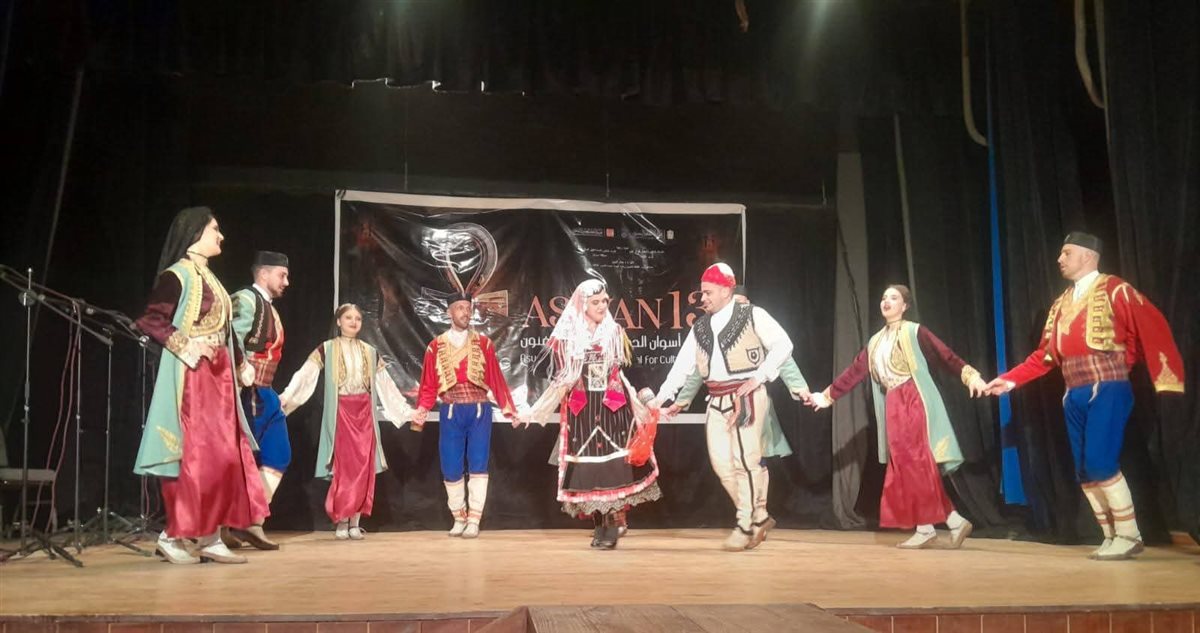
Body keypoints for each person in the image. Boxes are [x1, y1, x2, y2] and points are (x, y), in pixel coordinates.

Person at [984, 232, 1185, 560]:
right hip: (1073, 390)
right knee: (1084, 469)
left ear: (1088, 256)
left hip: (1108, 385)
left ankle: (1129, 534)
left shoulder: (1115, 289)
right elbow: (1046, 355)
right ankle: (1110, 535)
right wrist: (1009, 380)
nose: (1059, 259)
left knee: (1100, 461)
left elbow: (1152, 325)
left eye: (1067, 253)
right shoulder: (1061, 303)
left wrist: (1166, 377)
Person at [134, 206, 269, 564]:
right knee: (198, 456)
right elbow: (151, 319)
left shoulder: (212, 279)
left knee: (224, 456)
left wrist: (240, 363)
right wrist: (188, 346)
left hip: (219, 377)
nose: (221, 236)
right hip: (194, 378)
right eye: (214, 229)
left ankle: (207, 535)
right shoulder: (177, 275)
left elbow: (226, 330)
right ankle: (177, 535)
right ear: (195, 233)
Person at [809, 284, 986, 549]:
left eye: (894, 297)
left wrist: (970, 376)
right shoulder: (875, 342)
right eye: (884, 297)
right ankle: (938, 525)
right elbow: (855, 372)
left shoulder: (915, 331)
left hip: (913, 398)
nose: (887, 301)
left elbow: (945, 355)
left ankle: (943, 523)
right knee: (905, 465)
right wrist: (826, 397)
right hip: (893, 403)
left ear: (905, 306)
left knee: (917, 461)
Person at [649, 263, 795, 551]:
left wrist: (759, 377)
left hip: (745, 396)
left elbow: (783, 345)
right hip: (715, 399)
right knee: (722, 464)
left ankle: (745, 524)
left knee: (745, 461)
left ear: (726, 290)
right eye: (702, 293)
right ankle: (759, 516)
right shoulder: (701, 327)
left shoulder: (753, 315)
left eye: (708, 292)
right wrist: (660, 398)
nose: (702, 298)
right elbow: (683, 367)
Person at [520, 278, 662, 549]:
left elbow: (633, 369)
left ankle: (612, 526)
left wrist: (649, 399)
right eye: (595, 302)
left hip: (613, 410)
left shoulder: (615, 333)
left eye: (604, 301)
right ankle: (600, 525)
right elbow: (542, 369)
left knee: (612, 469)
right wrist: (563, 344)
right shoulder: (569, 338)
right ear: (582, 305)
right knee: (589, 471)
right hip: (582, 413)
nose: (601, 306)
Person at [278, 304, 415, 540]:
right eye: (348, 317)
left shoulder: (370, 352)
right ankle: (342, 519)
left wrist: (406, 412)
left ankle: (355, 522)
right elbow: (305, 376)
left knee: (363, 468)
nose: (353, 322)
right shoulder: (327, 349)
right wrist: (285, 398)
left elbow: (386, 386)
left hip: (364, 414)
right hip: (341, 412)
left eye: (358, 318)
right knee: (344, 469)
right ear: (339, 321)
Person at [411, 292, 517, 539]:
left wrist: (509, 408)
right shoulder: (435, 346)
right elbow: (428, 384)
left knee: (478, 463)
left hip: (479, 410)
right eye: (460, 308)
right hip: (451, 410)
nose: (465, 312)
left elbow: (496, 378)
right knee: (451, 465)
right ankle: (458, 516)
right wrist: (422, 409)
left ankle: (474, 519)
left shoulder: (484, 343)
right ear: (449, 312)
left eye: (468, 308)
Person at [223, 250, 291, 551]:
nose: (286, 282)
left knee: (278, 454)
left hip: (266, 392)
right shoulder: (246, 299)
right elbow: (231, 338)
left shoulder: (268, 307)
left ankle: (251, 519)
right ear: (263, 273)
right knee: (240, 460)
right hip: (247, 392)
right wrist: (241, 368)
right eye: (282, 275)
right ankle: (224, 525)